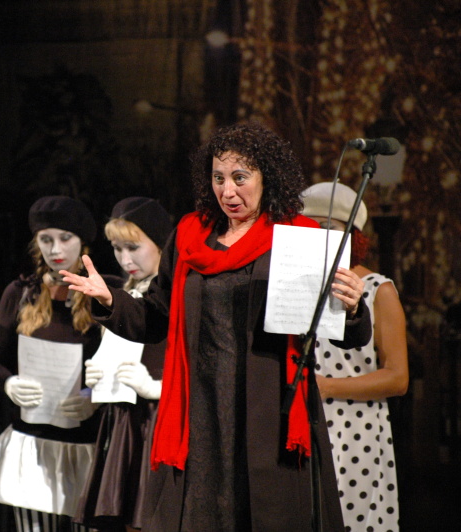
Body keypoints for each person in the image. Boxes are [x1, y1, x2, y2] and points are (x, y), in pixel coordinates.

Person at [61, 122, 373, 531]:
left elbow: (343, 331)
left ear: (266, 177)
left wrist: (352, 308)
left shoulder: (298, 236)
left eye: (240, 178)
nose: (228, 191)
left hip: (267, 406)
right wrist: (110, 301)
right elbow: (156, 317)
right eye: (218, 178)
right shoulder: (190, 235)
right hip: (201, 407)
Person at [0, 196, 120, 532]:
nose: (55, 249)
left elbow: (124, 362)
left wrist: (95, 397)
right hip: (33, 442)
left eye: (65, 238)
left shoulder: (106, 291)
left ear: (82, 242)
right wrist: (9, 383)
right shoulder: (20, 292)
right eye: (46, 239)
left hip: (86, 443)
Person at [302, 182, 408, 531]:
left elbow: (397, 377)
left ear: (353, 236)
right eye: (309, 228)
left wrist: (327, 387)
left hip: (354, 430)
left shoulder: (378, 288)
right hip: (304, 424)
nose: (319, 237)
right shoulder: (298, 287)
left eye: (328, 228)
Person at [75, 197, 173, 531]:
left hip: (156, 420)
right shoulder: (122, 290)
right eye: (117, 249)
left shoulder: (175, 295)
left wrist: (157, 388)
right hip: (122, 420)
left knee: (150, 515)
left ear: (160, 245)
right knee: (119, 514)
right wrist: (94, 382)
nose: (125, 259)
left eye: (133, 247)